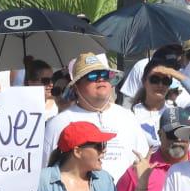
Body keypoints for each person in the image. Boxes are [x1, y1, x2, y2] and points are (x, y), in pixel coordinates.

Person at [42, 52, 150, 184]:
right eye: (92, 76)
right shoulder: (58, 123)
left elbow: (143, 160)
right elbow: (47, 170)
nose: (100, 79)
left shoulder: (128, 117)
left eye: (104, 75)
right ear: (76, 87)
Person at [118, 105, 190, 191]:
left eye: (183, 133)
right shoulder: (138, 171)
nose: (178, 139)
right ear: (160, 135)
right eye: (172, 134)